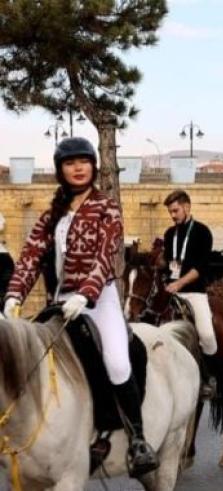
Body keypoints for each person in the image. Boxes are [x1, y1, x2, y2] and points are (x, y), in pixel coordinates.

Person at [2, 137, 158, 477]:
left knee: (116, 361)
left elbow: (106, 254)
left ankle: (137, 440)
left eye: (83, 161)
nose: (78, 167)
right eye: (70, 162)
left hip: (99, 300)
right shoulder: (52, 214)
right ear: (61, 170)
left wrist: (86, 293)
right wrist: (14, 295)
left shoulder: (106, 207)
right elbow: (30, 257)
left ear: (93, 165)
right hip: (60, 304)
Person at [161, 189, 217, 400]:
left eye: (175, 211)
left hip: (194, 293)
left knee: (207, 334)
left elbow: (200, 268)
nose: (173, 216)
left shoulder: (203, 232)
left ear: (187, 207)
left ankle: (208, 377)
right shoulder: (169, 234)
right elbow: (168, 264)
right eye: (170, 212)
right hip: (170, 292)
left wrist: (179, 284)